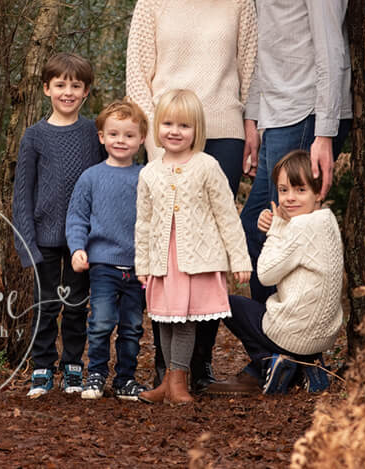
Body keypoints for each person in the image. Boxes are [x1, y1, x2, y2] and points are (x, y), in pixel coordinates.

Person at [126, 0, 257, 390]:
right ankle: (166, 371)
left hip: (222, 133)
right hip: (168, 139)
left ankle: (198, 367)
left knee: (207, 252)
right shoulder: (152, 3)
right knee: (169, 255)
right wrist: (153, 141)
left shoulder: (239, 1)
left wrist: (252, 126)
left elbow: (251, 71)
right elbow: (138, 79)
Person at [240, 0, 352, 302]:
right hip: (278, 115)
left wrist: (324, 134)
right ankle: (273, 353)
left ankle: (284, 355)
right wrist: (254, 118)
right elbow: (274, 43)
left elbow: (330, 45)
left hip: (306, 115)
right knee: (260, 232)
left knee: (275, 237)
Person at [134, 89, 252, 406]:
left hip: (196, 259)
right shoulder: (149, 172)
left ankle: (178, 381)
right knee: (166, 319)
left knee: (185, 320)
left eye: (184, 126)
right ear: (157, 126)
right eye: (168, 124)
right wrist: (142, 264)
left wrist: (239, 258)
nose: (175, 131)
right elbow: (143, 223)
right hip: (163, 261)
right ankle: (166, 383)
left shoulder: (207, 166)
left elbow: (227, 215)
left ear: (196, 131)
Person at [207, 150, 343, 396]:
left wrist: (276, 229)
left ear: (319, 192)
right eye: (283, 190)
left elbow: (266, 274)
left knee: (225, 304)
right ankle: (308, 367)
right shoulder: (327, 220)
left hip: (295, 333)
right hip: (324, 336)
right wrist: (281, 227)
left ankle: (269, 360)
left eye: (300, 190)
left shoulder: (300, 226)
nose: (290, 198)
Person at [12, 52, 103, 398]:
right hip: (44, 239)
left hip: (82, 241)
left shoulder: (93, 134)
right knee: (46, 306)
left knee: (78, 306)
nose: (68, 91)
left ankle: (73, 366)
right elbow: (23, 194)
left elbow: (104, 181)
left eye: (75, 85)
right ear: (46, 88)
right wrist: (27, 245)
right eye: (60, 84)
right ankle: (41, 367)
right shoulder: (34, 137)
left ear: (86, 91)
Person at [65, 99, 149, 402]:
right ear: (102, 136)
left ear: (141, 139)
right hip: (102, 264)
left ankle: (126, 378)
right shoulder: (91, 177)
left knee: (132, 327)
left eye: (129, 135)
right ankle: (96, 375)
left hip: (139, 267)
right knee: (100, 323)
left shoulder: (146, 177)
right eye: (114, 134)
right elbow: (76, 217)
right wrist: (77, 249)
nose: (121, 141)